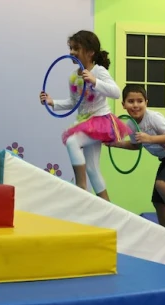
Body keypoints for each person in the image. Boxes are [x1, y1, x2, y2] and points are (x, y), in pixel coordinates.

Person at [39, 30, 132, 201]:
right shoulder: (74, 76)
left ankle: (81, 188)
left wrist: (95, 81)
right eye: (71, 48)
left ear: (90, 52)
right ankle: (108, 207)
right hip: (85, 122)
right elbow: (75, 103)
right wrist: (53, 103)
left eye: (76, 48)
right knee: (92, 169)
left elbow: (116, 93)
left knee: (72, 141)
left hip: (101, 121)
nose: (72, 52)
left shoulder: (99, 71)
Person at [108, 84, 165, 234]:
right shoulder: (131, 124)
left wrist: (150, 138)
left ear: (146, 102)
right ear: (123, 105)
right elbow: (136, 146)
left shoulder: (153, 117)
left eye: (139, 101)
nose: (135, 105)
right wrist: (116, 144)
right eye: (131, 101)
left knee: (162, 184)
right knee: (157, 201)